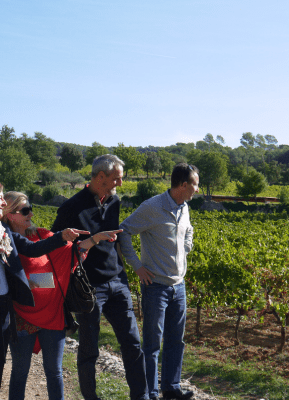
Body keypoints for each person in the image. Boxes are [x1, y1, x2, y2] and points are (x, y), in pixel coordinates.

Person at [0, 177, 85, 400]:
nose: (3, 203)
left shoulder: (3, 234)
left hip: (3, 316)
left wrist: (62, 237)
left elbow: (33, 249)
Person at [2, 191, 121, 400]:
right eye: (25, 210)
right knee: (20, 373)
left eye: (31, 208)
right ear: (10, 215)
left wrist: (95, 239)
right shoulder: (4, 243)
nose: (31, 213)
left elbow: (70, 252)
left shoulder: (41, 235)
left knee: (54, 372)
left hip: (52, 313)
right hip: (22, 316)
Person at [51, 154, 149, 400]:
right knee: (89, 350)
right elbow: (54, 246)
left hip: (117, 282)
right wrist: (89, 242)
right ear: (101, 176)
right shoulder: (72, 207)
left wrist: (124, 276)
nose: (120, 184)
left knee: (133, 344)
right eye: (117, 179)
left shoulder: (114, 202)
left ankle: (142, 396)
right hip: (89, 287)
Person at [118, 163, 199, 400]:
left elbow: (189, 230)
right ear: (183, 185)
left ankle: (171, 388)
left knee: (176, 340)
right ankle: (151, 393)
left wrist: (186, 247)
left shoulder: (184, 208)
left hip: (179, 285)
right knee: (152, 344)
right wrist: (138, 267)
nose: (197, 189)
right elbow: (124, 231)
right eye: (195, 184)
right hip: (156, 287)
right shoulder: (152, 207)